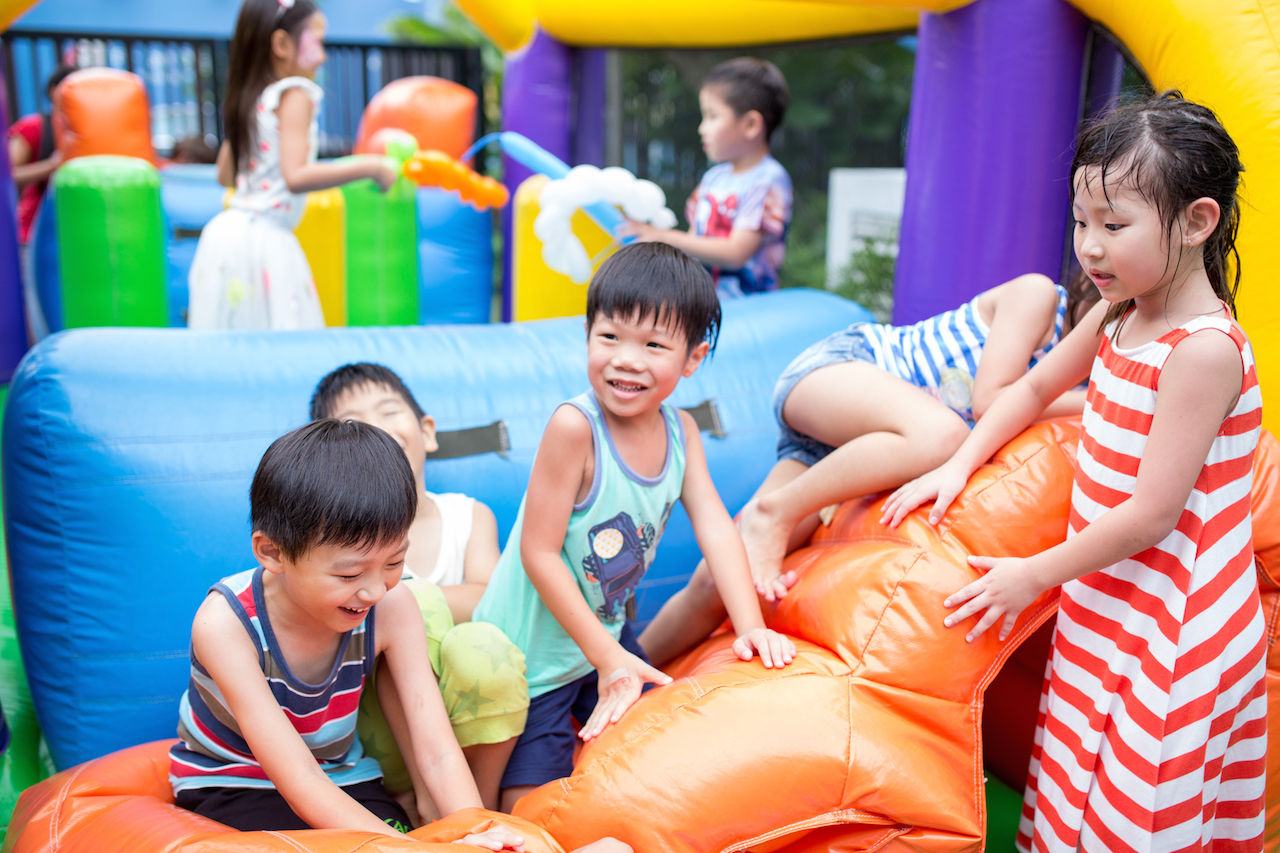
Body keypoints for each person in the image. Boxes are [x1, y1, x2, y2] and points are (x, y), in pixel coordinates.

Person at [881, 92, 1266, 851]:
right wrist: (957, 462)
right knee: (1075, 773)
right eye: (1083, 222)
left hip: (1178, 624)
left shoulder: (1203, 349)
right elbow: (1030, 387)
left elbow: (1154, 512)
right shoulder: (1119, 313)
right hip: (1108, 596)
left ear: (1196, 222)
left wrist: (1032, 574)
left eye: (1115, 225)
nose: (1090, 246)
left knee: (1142, 799)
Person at [473, 242, 796, 812]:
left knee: (650, 758)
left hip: (604, 639)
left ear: (692, 359)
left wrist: (749, 626)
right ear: (587, 333)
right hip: (533, 661)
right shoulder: (576, 429)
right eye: (611, 337)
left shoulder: (682, 434)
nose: (627, 359)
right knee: (534, 804)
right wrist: (607, 658)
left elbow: (719, 530)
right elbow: (539, 554)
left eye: (653, 345)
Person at [639, 271, 1098, 666]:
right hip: (841, 373)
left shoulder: (1071, 383)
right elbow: (992, 399)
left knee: (719, 580)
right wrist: (1104, 397)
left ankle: (624, 671)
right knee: (943, 435)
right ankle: (776, 511)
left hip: (857, 448)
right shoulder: (1040, 298)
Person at [167, 420, 521, 847]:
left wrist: (478, 830)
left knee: (393, 832)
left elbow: (437, 751)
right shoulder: (225, 624)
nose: (375, 590)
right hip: (236, 782)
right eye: (350, 572)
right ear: (273, 552)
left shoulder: (393, 605)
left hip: (344, 776)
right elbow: (298, 779)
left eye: (393, 563)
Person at [310, 363, 526, 814]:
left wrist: (408, 602)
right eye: (356, 422)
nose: (379, 428)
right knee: (409, 601)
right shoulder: (333, 541)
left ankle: (477, 807)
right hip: (379, 727)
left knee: (480, 641)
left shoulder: (468, 517)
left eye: (389, 411)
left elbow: (490, 601)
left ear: (427, 431)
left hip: (462, 725)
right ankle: (426, 802)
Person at [186, 0, 397, 329]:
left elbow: (225, 174)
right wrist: (372, 166)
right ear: (282, 44)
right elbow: (296, 176)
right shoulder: (295, 93)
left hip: (224, 239)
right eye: (317, 43)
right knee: (282, 344)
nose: (323, 56)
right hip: (267, 244)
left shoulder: (252, 98)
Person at [621, 57, 792, 299]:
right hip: (702, 304)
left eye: (712, 116)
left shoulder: (768, 180)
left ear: (751, 124)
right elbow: (694, 243)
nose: (703, 128)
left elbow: (736, 253)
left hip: (748, 310)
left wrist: (664, 237)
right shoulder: (714, 178)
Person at [9, 63, 76, 342]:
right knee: (34, 308)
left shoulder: (86, 132)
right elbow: (8, 174)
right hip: (33, 236)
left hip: (74, 238)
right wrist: (51, 165)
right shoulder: (37, 127)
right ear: (54, 92)